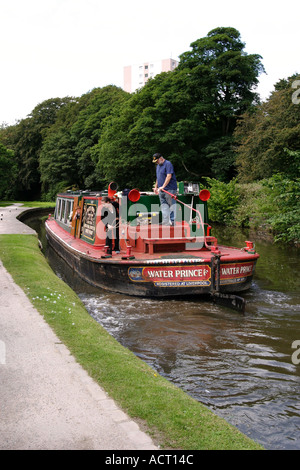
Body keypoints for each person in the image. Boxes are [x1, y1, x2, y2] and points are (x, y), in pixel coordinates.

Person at [153, 153, 177, 225]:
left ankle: (173, 221)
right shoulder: (158, 166)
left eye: (157, 161)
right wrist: (156, 187)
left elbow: (169, 176)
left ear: (161, 158)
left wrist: (163, 186)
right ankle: (166, 221)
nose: (156, 162)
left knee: (171, 205)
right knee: (164, 205)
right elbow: (158, 177)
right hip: (161, 190)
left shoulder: (168, 164)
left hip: (170, 189)